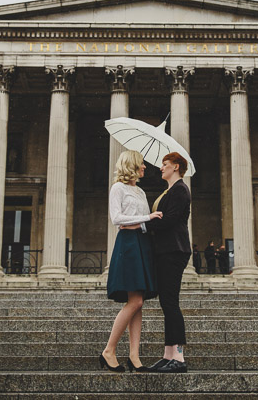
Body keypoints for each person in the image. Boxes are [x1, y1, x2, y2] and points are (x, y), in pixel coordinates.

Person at [100, 150, 162, 373]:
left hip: (142, 243)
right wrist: (146, 218)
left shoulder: (141, 191)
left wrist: (148, 222)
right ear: (132, 166)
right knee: (134, 302)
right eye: (142, 164)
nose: (145, 167)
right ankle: (109, 350)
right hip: (127, 245)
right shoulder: (118, 188)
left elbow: (138, 223)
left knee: (139, 302)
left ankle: (134, 356)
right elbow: (117, 219)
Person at [145, 152, 192, 373]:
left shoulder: (181, 189)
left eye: (164, 165)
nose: (161, 168)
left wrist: (145, 224)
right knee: (167, 303)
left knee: (171, 303)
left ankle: (179, 357)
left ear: (175, 166)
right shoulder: (171, 190)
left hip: (174, 250)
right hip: (166, 250)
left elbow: (170, 219)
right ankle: (168, 355)